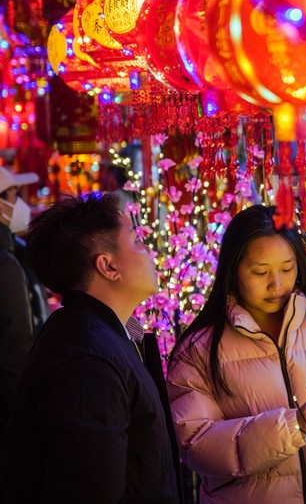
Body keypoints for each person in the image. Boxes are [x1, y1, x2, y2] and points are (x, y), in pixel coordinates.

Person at [0, 193, 182, 504]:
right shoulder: (87, 360)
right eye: (137, 242)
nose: (149, 251)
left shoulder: (103, 337)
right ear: (108, 266)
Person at [167, 205, 306, 504]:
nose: (276, 284)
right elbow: (194, 442)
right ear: (233, 269)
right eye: (261, 271)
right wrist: (291, 427)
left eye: (287, 268)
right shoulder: (200, 349)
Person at [0, 166, 38, 447]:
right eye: (13, 197)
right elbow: (17, 347)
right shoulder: (5, 265)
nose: (19, 206)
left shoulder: (14, 253)